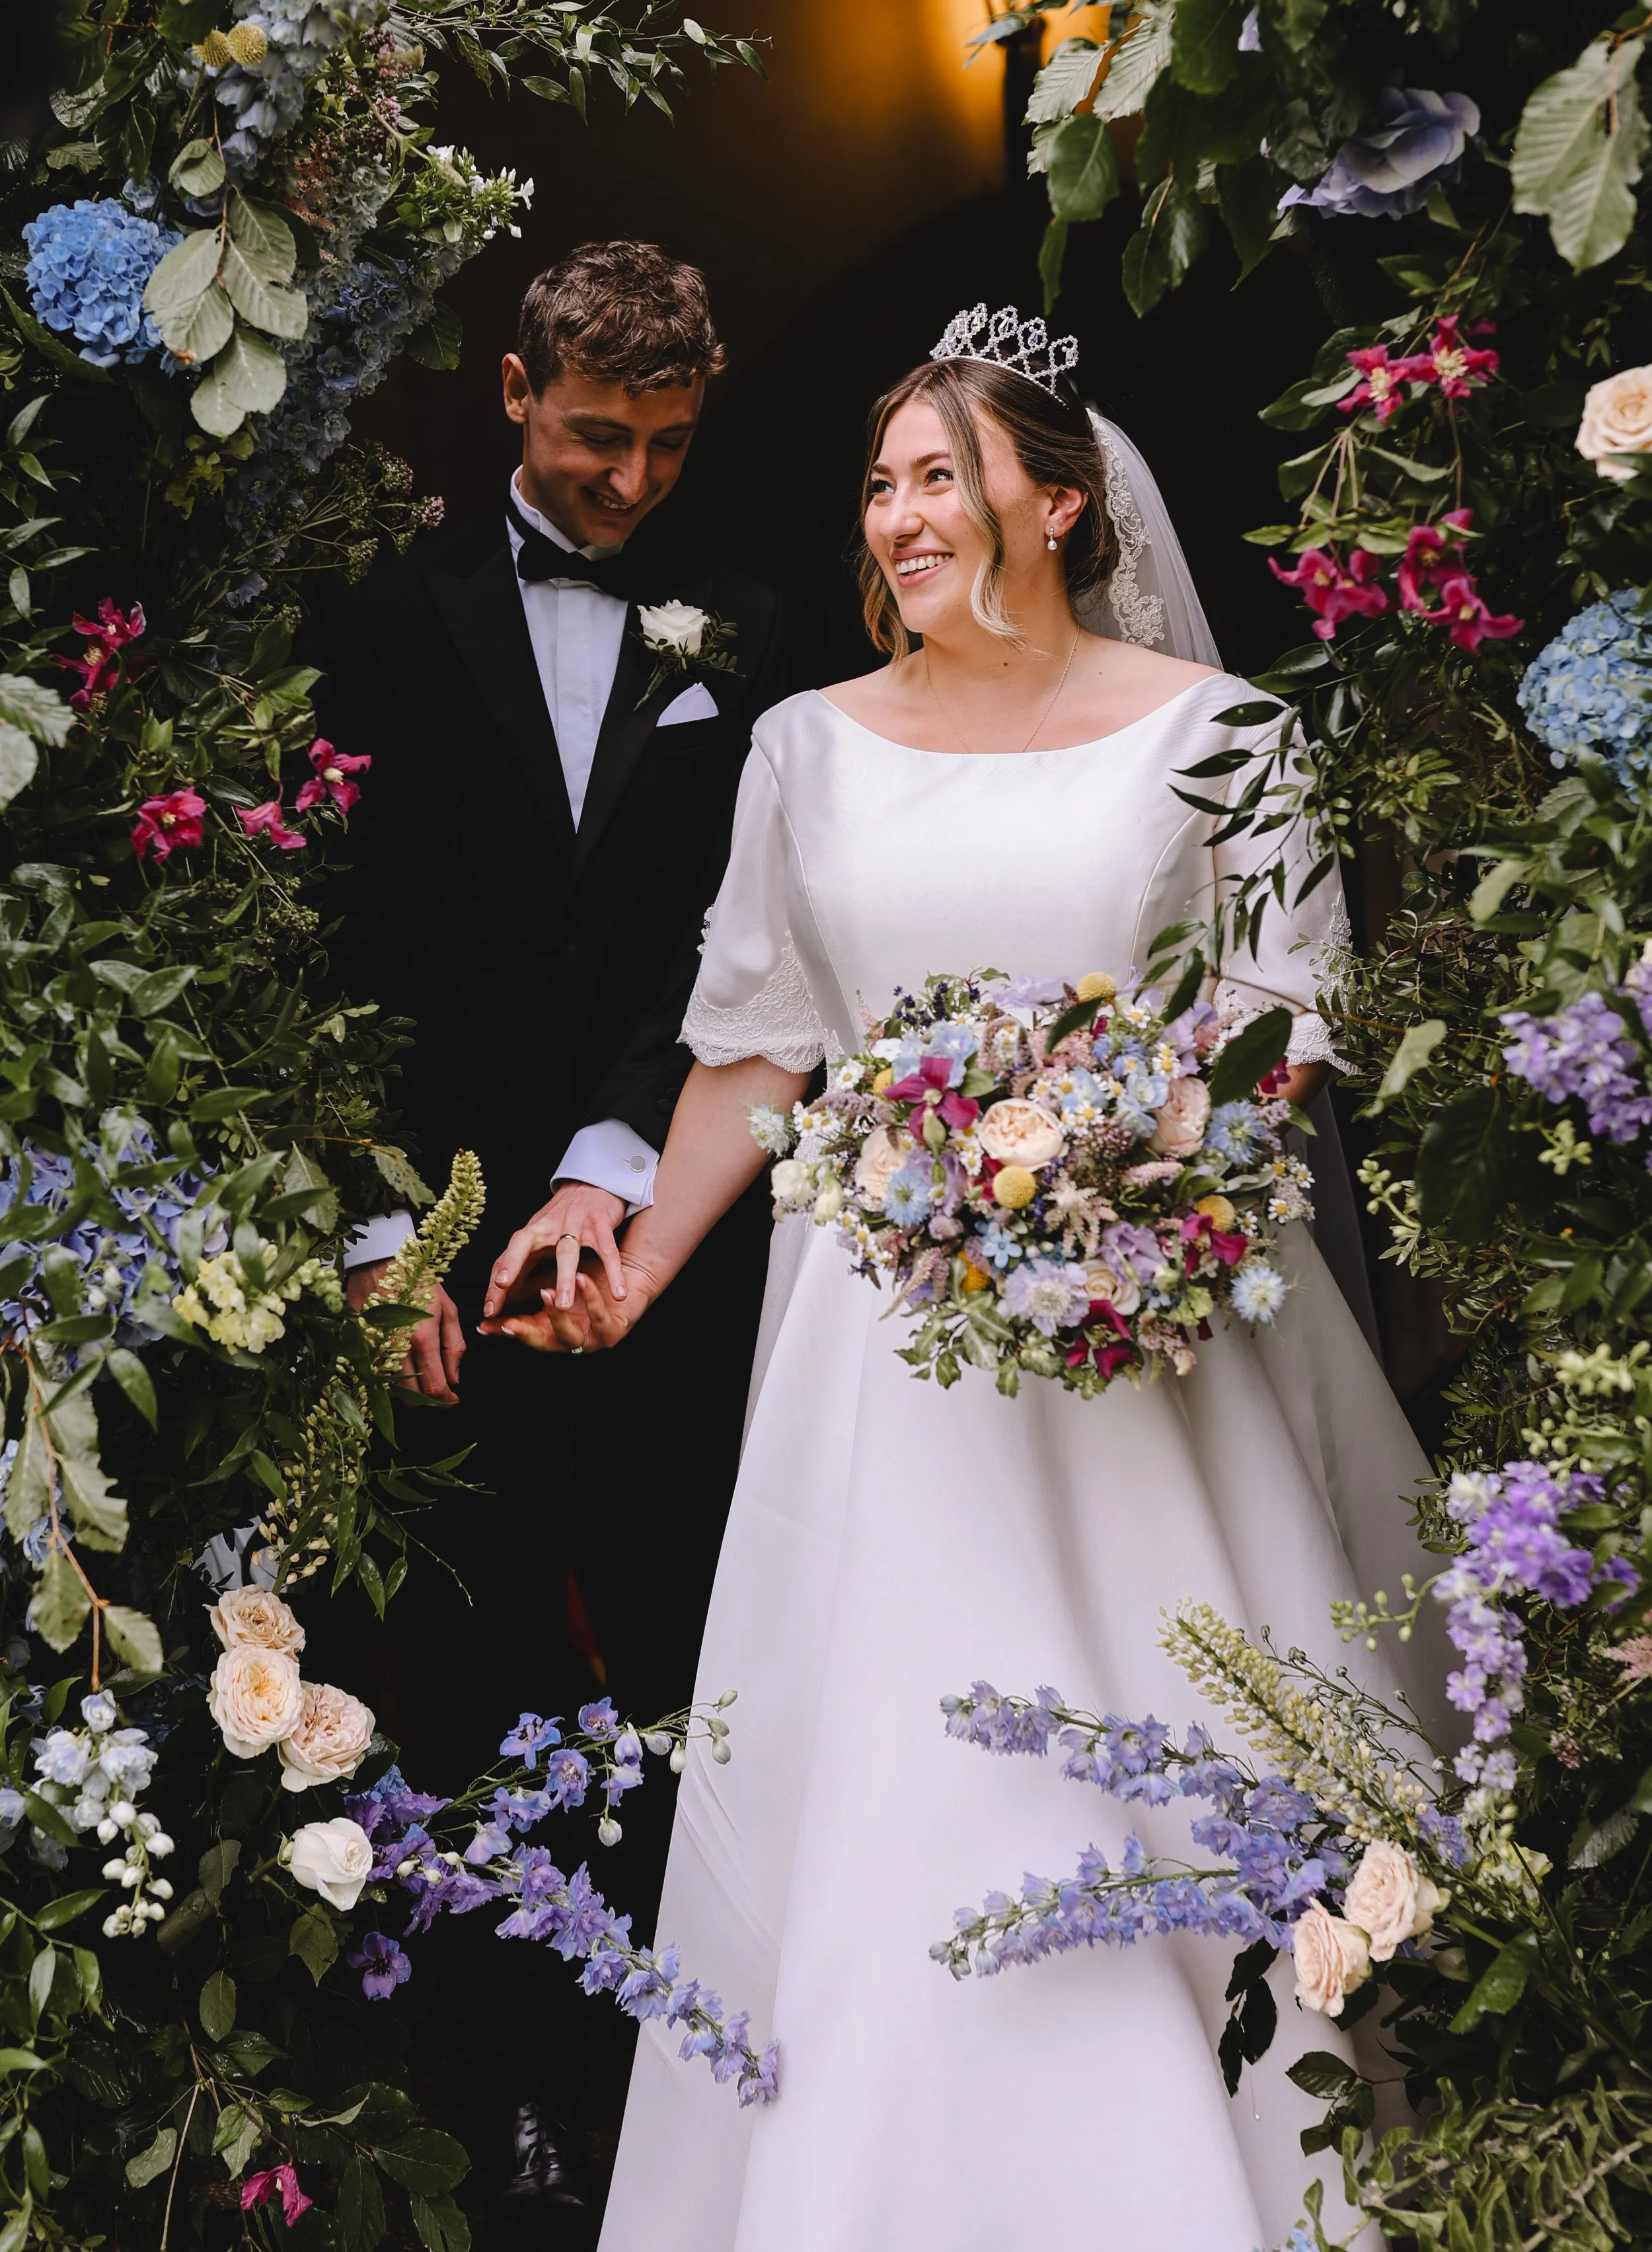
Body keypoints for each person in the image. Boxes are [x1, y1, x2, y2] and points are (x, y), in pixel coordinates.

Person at [485, 307, 1441, 2249]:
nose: (899, 513)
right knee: (896, 1788)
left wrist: (1122, 1158)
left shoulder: (1217, 740)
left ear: (1058, 501)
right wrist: (643, 1258)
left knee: (1184, 1777)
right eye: (880, 480)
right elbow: (759, 1049)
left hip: (1140, 1334)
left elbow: (1285, 1023)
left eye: (941, 473)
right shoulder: (804, 750)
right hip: (886, 1362)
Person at [311, 239, 786, 2238]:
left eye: (668, 447)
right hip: (436, 1273)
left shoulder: (742, 636)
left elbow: (731, 946)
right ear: (515, 392)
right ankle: (523, 2115)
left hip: (658, 1266)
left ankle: (702, 2105)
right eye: (599, 435)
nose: (629, 483)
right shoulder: (376, 625)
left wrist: (614, 1162)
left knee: (698, 1686)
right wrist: (371, 1234)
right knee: (491, 1705)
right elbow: (320, 948)